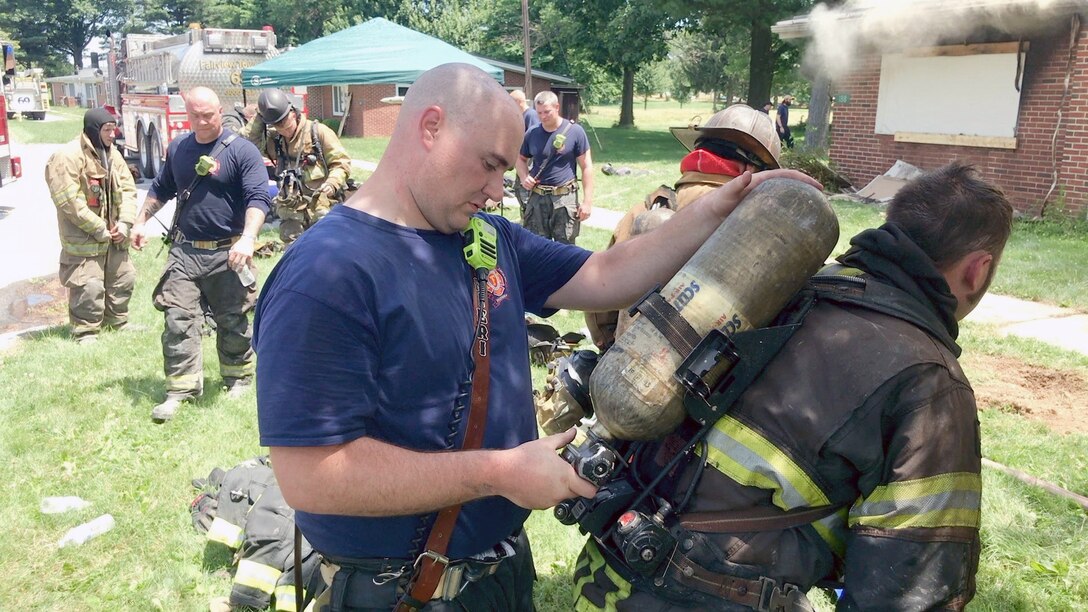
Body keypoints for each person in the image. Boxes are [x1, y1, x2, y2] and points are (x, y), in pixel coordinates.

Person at [253, 62, 818, 611]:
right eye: (489, 165)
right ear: (431, 128)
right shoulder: (327, 275)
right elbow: (312, 477)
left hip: (496, 571)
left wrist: (718, 208)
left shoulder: (488, 236)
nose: (499, 191)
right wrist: (500, 472)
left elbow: (607, 275)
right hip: (396, 588)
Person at [573, 162, 1014, 611]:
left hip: (606, 577)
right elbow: (911, 589)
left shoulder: (791, 287)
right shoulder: (929, 384)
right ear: (978, 270)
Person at [584, 104, 782, 350]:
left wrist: (608, 342)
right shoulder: (764, 225)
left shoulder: (647, 209)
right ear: (752, 169)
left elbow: (600, 302)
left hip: (629, 365)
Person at [130, 86, 271, 423]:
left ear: (220, 111)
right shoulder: (179, 147)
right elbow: (162, 187)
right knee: (178, 319)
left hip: (229, 253)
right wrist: (139, 221)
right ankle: (180, 390)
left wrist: (248, 239)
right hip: (185, 252)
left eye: (209, 114)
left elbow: (258, 198)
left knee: (233, 318)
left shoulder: (243, 152)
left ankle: (237, 378)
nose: (203, 121)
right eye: (196, 115)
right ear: (187, 113)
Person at [44, 107, 137, 343]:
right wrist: (98, 227)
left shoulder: (112, 154)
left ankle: (118, 322)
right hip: (84, 239)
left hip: (115, 235)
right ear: (94, 130)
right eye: (107, 130)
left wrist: (125, 223)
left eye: (113, 129)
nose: (113, 135)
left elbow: (128, 189)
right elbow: (68, 201)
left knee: (122, 279)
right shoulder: (66, 157)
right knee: (88, 285)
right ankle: (85, 332)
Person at [239, 89, 351, 245]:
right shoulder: (276, 139)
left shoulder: (318, 132)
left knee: (327, 258)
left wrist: (332, 183)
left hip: (320, 210)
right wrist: (261, 116)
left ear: (293, 112)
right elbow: (246, 144)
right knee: (294, 262)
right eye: (278, 126)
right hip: (291, 216)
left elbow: (341, 162)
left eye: (286, 123)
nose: (284, 130)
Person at [514, 90, 594, 245]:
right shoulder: (532, 133)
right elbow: (519, 158)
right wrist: (524, 177)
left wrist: (587, 202)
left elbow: (587, 167)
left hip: (564, 199)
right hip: (538, 198)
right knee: (535, 246)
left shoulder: (576, 131)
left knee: (565, 248)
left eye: (547, 112)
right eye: (539, 113)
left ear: (557, 107)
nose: (543, 116)